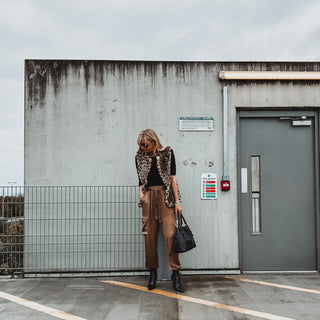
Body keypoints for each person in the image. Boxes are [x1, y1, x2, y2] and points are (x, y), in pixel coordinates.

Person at [135, 129, 184, 292]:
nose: (143, 148)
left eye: (145, 145)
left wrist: (177, 201)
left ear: (153, 141)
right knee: (149, 237)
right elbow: (140, 182)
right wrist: (142, 196)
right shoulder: (139, 157)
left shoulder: (167, 154)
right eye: (141, 145)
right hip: (149, 196)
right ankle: (152, 272)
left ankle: (175, 274)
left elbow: (172, 178)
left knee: (170, 235)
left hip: (166, 196)